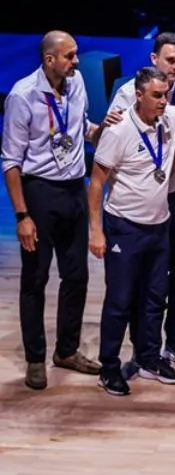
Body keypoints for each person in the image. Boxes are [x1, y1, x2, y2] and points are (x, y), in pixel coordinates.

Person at [3, 31, 119, 390]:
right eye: (69, 56)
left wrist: (98, 132)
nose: (76, 61)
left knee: (77, 276)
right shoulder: (23, 96)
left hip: (74, 189)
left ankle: (66, 350)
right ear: (49, 59)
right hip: (39, 192)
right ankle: (36, 359)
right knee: (35, 279)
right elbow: (10, 161)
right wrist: (22, 216)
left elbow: (76, 126)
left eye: (76, 55)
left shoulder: (77, 81)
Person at [87, 67, 175, 394]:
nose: (162, 101)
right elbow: (97, 183)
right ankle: (109, 367)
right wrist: (96, 232)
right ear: (138, 95)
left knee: (155, 298)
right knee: (120, 300)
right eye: (156, 95)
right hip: (124, 227)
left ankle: (149, 358)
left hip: (160, 226)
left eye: (165, 94)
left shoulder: (168, 117)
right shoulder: (119, 130)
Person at [108, 32, 175, 369]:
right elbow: (114, 148)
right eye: (170, 60)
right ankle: (141, 347)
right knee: (142, 279)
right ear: (153, 59)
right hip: (140, 201)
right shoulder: (125, 95)